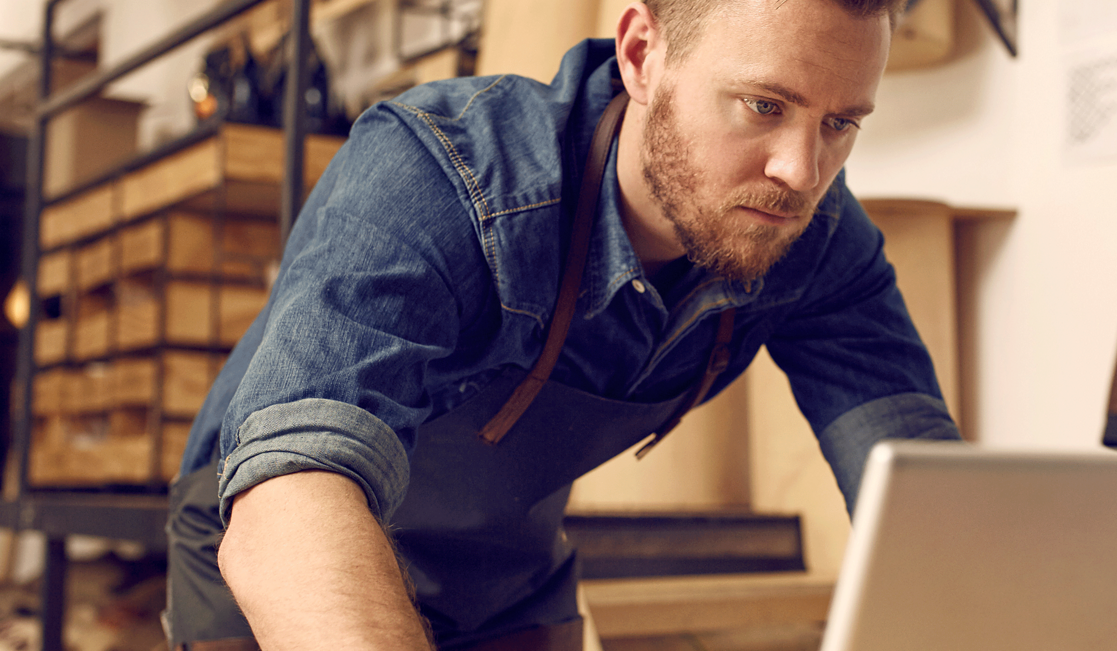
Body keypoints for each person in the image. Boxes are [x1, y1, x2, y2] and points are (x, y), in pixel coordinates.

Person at [165, 0, 961, 648]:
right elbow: (294, 490)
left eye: (839, 124)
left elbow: (917, 489)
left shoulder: (809, 237)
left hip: (504, 573)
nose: (799, 171)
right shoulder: (441, 172)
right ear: (643, 54)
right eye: (764, 105)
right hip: (284, 559)